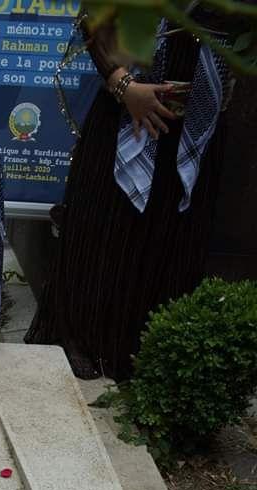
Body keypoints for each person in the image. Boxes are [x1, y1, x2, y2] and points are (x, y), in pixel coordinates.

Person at [25, 6, 245, 382]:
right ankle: (78, 339)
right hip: (125, 109)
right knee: (101, 229)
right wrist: (124, 86)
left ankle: (151, 346)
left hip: (199, 116)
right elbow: (95, 15)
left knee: (174, 236)